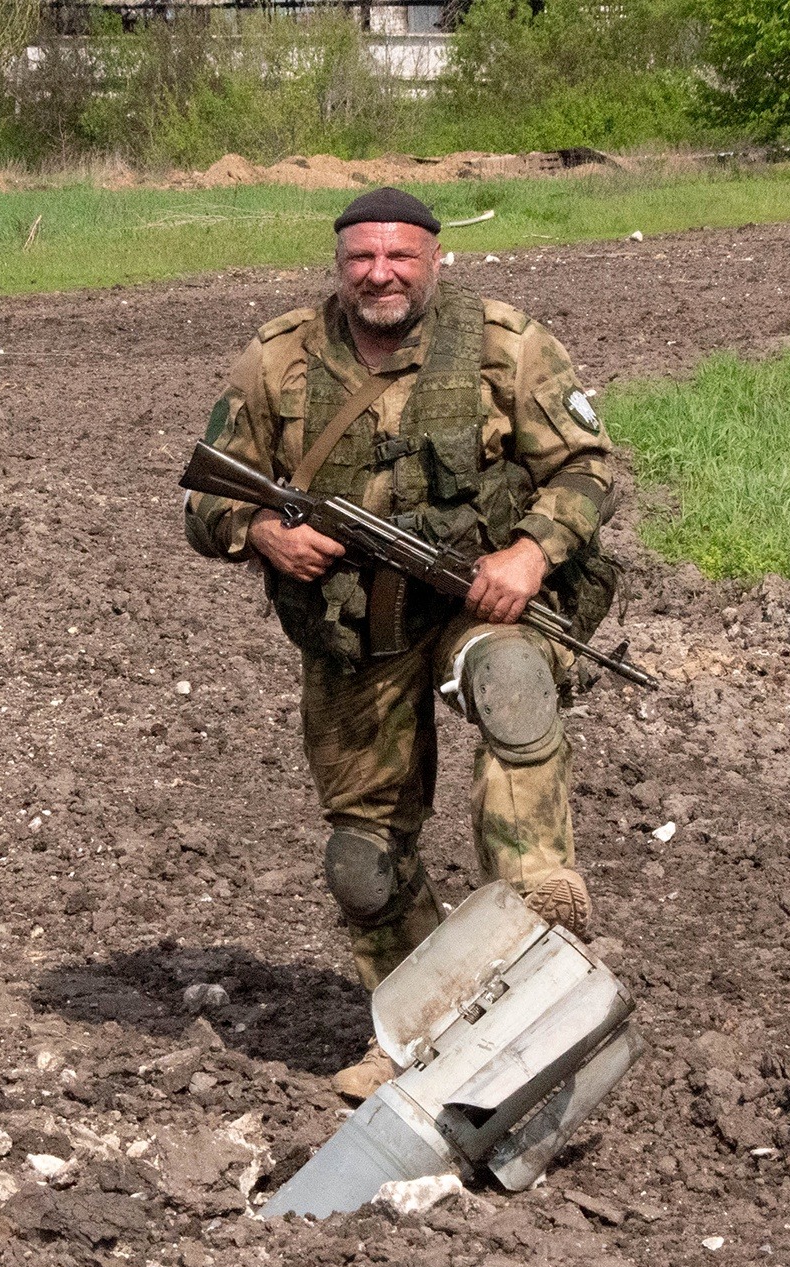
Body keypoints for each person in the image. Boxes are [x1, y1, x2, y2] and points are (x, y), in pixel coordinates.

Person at [184, 187, 618, 1100]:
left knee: (510, 680)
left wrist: (531, 554)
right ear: (339, 263)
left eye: (401, 257)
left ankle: (539, 895)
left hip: (477, 600)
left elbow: (586, 465)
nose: (380, 274)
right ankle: (423, 1030)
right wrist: (263, 532)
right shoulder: (279, 359)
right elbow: (206, 495)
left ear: (434, 258)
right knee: (363, 864)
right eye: (361, 259)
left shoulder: (506, 343)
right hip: (354, 629)